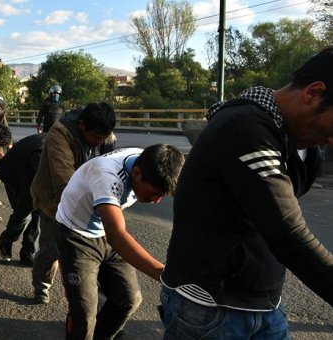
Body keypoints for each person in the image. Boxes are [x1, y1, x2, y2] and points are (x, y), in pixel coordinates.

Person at [159, 47, 333, 339]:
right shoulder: (245, 126)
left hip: (265, 305)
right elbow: (287, 232)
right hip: (209, 308)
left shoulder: (305, 140)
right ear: (314, 93)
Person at [57, 144, 184, 339]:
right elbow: (116, 236)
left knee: (129, 299)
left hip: (104, 230)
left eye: (161, 196)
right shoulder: (107, 175)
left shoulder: (149, 161)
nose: (155, 201)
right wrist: (163, 274)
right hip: (76, 235)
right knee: (83, 314)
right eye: (152, 193)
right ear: (136, 173)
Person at [31, 103, 117, 304]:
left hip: (88, 195)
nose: (99, 143)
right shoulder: (59, 135)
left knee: (95, 249)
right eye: (95, 138)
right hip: (54, 198)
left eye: (103, 138)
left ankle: (98, 297)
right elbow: (64, 181)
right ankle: (41, 285)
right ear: (81, 126)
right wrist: (94, 208)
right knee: (51, 250)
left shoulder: (105, 135)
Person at [0, 133, 46, 266]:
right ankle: (7, 239)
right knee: (25, 214)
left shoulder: (67, 146)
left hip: (31, 173)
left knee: (38, 213)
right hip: (14, 175)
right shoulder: (42, 151)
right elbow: (39, 184)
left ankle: (29, 253)